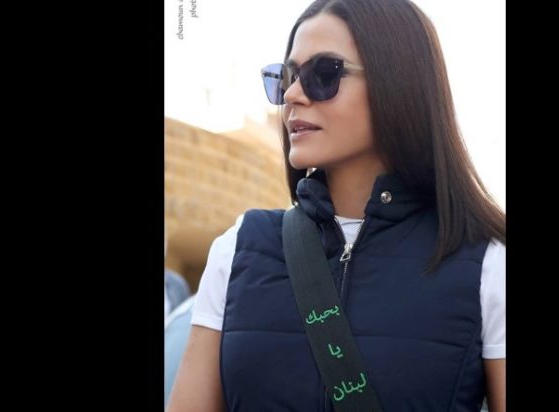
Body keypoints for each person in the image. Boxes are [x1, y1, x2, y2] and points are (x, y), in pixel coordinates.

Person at [167, 0, 505, 411]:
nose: (293, 95)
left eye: (323, 73)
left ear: (398, 85)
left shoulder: (486, 264)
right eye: (287, 77)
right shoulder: (238, 249)